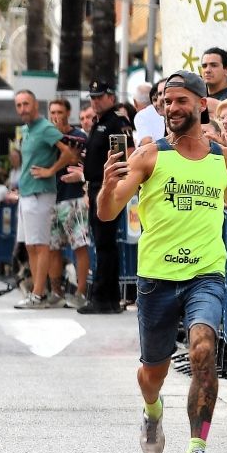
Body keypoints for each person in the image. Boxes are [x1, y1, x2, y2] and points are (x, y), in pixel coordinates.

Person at [96, 71, 227, 453]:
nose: (172, 108)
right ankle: (152, 411)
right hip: (157, 279)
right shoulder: (149, 157)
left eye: (181, 100)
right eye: (167, 100)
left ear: (202, 104)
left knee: (202, 347)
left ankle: (197, 450)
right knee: (152, 374)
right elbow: (108, 212)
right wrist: (106, 188)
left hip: (205, 273)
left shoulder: (225, 160)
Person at [12, 89, 77, 308]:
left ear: (35, 105)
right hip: (27, 194)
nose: (23, 109)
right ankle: (37, 292)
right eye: (19, 105)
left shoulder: (45, 127)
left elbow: (68, 153)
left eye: (26, 104)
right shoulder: (27, 129)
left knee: (41, 246)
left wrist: (50, 171)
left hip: (42, 194)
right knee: (31, 246)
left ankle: (39, 294)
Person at [80, 79, 135, 314]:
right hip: (94, 187)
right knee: (102, 243)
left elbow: (127, 155)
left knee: (105, 244)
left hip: (107, 187)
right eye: (92, 97)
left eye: (100, 96)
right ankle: (109, 298)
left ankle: (103, 298)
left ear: (111, 97)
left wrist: (115, 187)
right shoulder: (99, 122)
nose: (95, 101)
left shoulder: (116, 122)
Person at [47, 98, 90, 306]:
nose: (55, 115)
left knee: (79, 246)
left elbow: (74, 159)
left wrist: (58, 141)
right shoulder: (46, 137)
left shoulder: (78, 136)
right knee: (52, 248)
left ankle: (80, 293)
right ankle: (56, 292)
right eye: (52, 112)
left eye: (59, 112)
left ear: (67, 113)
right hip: (51, 197)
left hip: (73, 198)